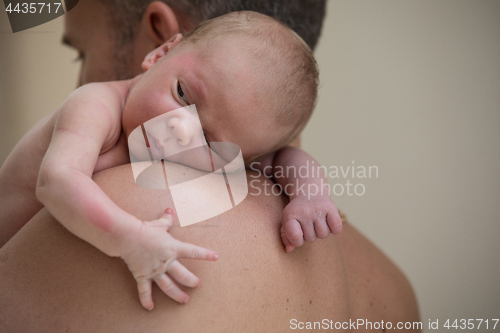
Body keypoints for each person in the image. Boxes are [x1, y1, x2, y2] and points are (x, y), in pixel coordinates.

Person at [0, 0, 420, 330]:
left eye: (82, 54)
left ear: (160, 36)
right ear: (161, 51)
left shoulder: (179, 173)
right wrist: (131, 240)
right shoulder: (396, 290)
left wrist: (310, 195)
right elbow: (56, 180)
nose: (180, 132)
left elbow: (284, 158)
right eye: (182, 95)